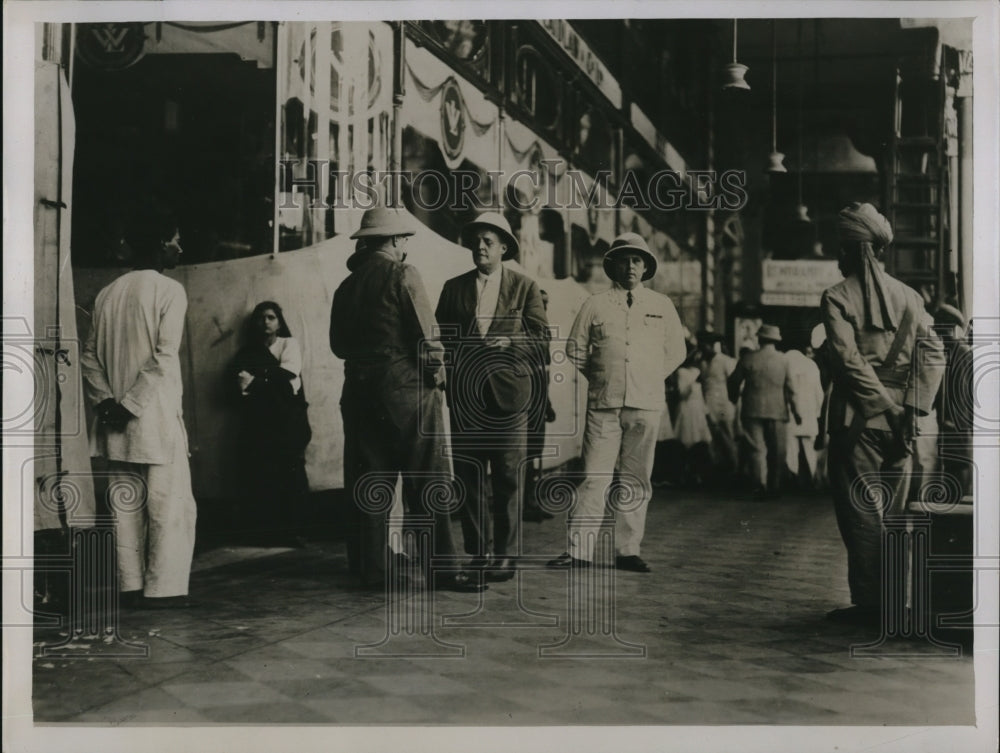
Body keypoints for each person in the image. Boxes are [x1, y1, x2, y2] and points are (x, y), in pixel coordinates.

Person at [329, 206, 485, 593]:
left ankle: (371, 571)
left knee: (370, 483)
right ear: (397, 240)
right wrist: (436, 375)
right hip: (407, 393)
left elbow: (338, 345)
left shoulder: (346, 287)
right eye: (405, 241)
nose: (405, 247)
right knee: (427, 479)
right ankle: (444, 570)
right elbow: (428, 339)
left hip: (359, 392)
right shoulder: (403, 274)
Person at [821, 202, 945, 625]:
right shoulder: (911, 297)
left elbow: (846, 360)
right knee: (894, 515)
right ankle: (895, 602)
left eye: (840, 248)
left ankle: (871, 605)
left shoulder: (837, 296)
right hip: (903, 426)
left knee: (861, 514)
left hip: (857, 421)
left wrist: (886, 408)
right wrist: (911, 408)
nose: (837, 257)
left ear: (855, 250)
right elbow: (934, 352)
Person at [80, 203, 197, 609]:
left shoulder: (108, 292)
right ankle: (162, 589)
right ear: (162, 243)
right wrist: (131, 405)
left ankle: (129, 586)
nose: (180, 249)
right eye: (177, 241)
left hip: (115, 421)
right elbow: (164, 357)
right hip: (154, 419)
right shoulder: (170, 291)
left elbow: (89, 357)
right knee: (167, 504)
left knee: (123, 504)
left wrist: (108, 404)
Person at [548, 232, 686, 572]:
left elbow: (677, 352)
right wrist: (600, 377)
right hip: (605, 404)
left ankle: (628, 550)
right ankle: (579, 551)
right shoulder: (595, 304)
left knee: (636, 478)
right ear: (612, 265)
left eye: (637, 260)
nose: (630, 266)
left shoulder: (660, 305)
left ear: (645, 266)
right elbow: (575, 350)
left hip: (646, 403)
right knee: (595, 477)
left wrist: (651, 376)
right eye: (623, 259)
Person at [435, 212, 550, 581]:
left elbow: (544, 342)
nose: (480, 247)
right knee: (468, 479)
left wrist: (513, 341)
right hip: (466, 399)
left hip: (509, 397)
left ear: (504, 247)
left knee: (507, 478)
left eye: (488, 241)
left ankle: (506, 554)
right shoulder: (453, 287)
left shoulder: (524, 287)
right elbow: (442, 339)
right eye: (476, 241)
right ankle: (479, 552)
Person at [232, 301, 311, 546]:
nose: (266, 322)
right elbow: (242, 385)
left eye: (271, 317)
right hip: (261, 424)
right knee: (263, 474)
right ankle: (269, 532)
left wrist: (259, 381)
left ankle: (295, 530)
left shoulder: (289, 344)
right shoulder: (247, 353)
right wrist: (274, 380)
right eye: (261, 318)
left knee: (292, 473)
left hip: (288, 421)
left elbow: (290, 374)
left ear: (279, 321)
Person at [727, 324, 798, 499]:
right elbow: (791, 388)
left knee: (756, 449)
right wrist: (796, 411)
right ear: (776, 340)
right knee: (777, 450)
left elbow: (733, 382)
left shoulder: (748, 358)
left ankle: (758, 485)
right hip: (778, 410)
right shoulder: (784, 360)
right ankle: (774, 487)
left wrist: (734, 398)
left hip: (751, 409)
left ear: (759, 339)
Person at [524, 288, 557, 522]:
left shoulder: (544, 334)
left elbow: (544, 374)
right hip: (523, 404)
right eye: (540, 303)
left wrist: (547, 403)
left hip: (538, 403)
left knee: (533, 453)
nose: (543, 308)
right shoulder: (523, 333)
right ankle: (524, 503)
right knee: (523, 455)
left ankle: (530, 500)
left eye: (546, 304)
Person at [698, 331, 738, 479]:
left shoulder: (725, 361)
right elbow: (703, 386)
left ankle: (735, 470)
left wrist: (733, 404)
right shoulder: (702, 363)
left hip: (724, 405)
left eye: (704, 346)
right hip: (709, 406)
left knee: (728, 436)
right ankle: (719, 472)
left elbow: (734, 383)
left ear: (711, 345)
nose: (703, 350)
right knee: (713, 439)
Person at [784, 343, 825, 490]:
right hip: (809, 414)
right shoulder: (811, 365)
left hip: (790, 413)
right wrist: (818, 414)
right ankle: (814, 479)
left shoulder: (785, 361)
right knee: (809, 448)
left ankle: (792, 478)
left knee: (791, 449)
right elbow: (819, 393)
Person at [673, 345, 713, 487]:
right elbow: (682, 395)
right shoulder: (681, 372)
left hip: (697, 409)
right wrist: (693, 386)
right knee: (687, 440)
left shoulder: (698, 371)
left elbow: (701, 396)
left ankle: (697, 474)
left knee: (700, 441)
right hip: (687, 408)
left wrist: (705, 411)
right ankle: (684, 473)